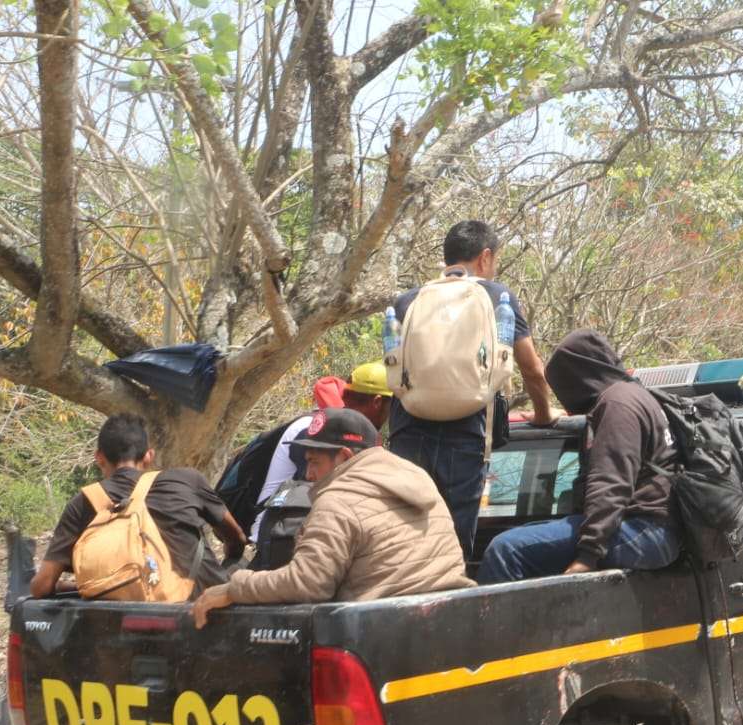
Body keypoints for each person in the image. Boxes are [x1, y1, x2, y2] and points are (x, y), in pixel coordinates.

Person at [192, 408, 471, 625]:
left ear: (344, 457)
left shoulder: (338, 499)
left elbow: (308, 584)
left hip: (380, 632)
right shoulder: (418, 479)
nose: (309, 475)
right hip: (451, 616)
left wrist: (234, 588)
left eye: (314, 462)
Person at [387, 221, 554, 559]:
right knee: (453, 539)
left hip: (408, 430)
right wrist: (544, 414)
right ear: (485, 257)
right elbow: (532, 370)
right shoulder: (497, 296)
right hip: (466, 432)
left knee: (404, 537)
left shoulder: (407, 300)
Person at [478, 330, 680, 584]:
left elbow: (610, 483)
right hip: (653, 530)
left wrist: (588, 555)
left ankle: (500, 625)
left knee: (506, 550)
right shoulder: (632, 396)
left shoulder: (617, 405)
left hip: (644, 531)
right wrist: (559, 417)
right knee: (521, 538)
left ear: (580, 374)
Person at [31, 413, 246, 598]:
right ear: (149, 456)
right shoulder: (188, 480)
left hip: (117, 616)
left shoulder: (84, 501)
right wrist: (231, 554)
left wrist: (82, 587)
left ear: (99, 457)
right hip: (200, 605)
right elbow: (237, 539)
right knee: (241, 563)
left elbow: (42, 586)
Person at [251, 361, 395, 541]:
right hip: (277, 534)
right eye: (393, 404)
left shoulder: (357, 434)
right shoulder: (317, 430)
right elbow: (324, 491)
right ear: (377, 402)